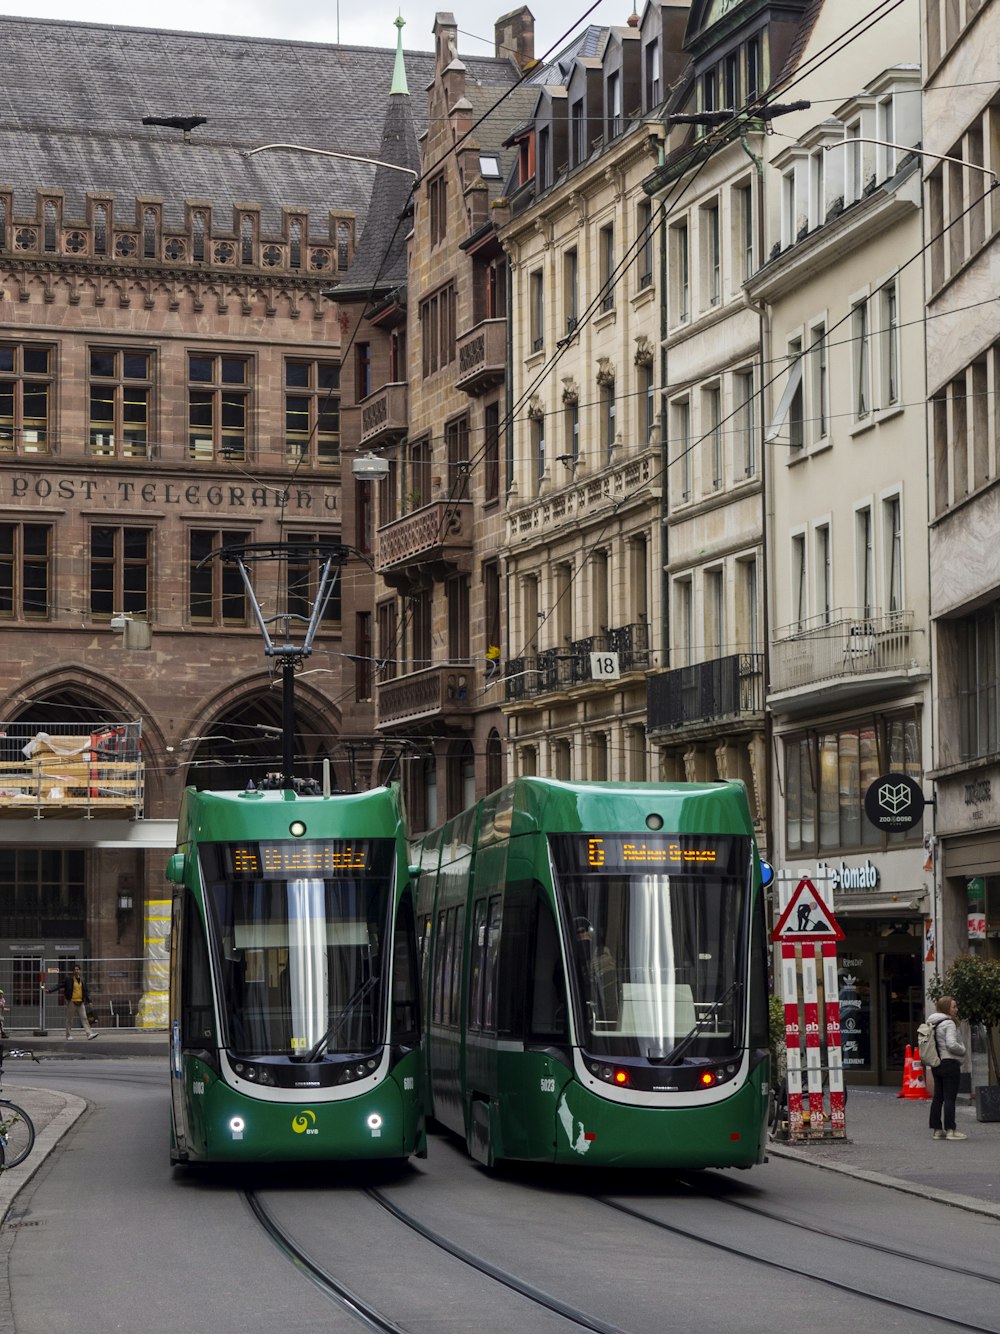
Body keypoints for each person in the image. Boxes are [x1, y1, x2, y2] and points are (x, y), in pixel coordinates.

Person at [927, 994, 965, 1141]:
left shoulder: (932, 1022)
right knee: (950, 1098)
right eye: (953, 1006)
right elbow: (951, 1044)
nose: (956, 1009)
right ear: (946, 1008)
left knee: (938, 1097)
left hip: (937, 1063)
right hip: (950, 1063)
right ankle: (951, 1130)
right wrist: (963, 1049)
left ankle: (937, 1130)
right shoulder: (948, 1023)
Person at [574, 918, 619, 1023]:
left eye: (584, 932)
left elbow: (610, 994)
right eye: (578, 934)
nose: (582, 936)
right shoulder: (568, 959)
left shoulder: (603, 957)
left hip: (601, 1017)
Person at [51, 964, 99, 1041]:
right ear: (73, 971)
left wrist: (89, 1001)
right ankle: (68, 1035)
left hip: (80, 1002)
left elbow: (85, 991)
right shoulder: (69, 979)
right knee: (69, 1019)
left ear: (80, 970)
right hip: (72, 1002)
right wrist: (50, 990)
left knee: (84, 1018)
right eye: (75, 969)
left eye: (78, 969)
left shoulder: (82, 979)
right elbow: (59, 985)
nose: (76, 971)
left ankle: (89, 1033)